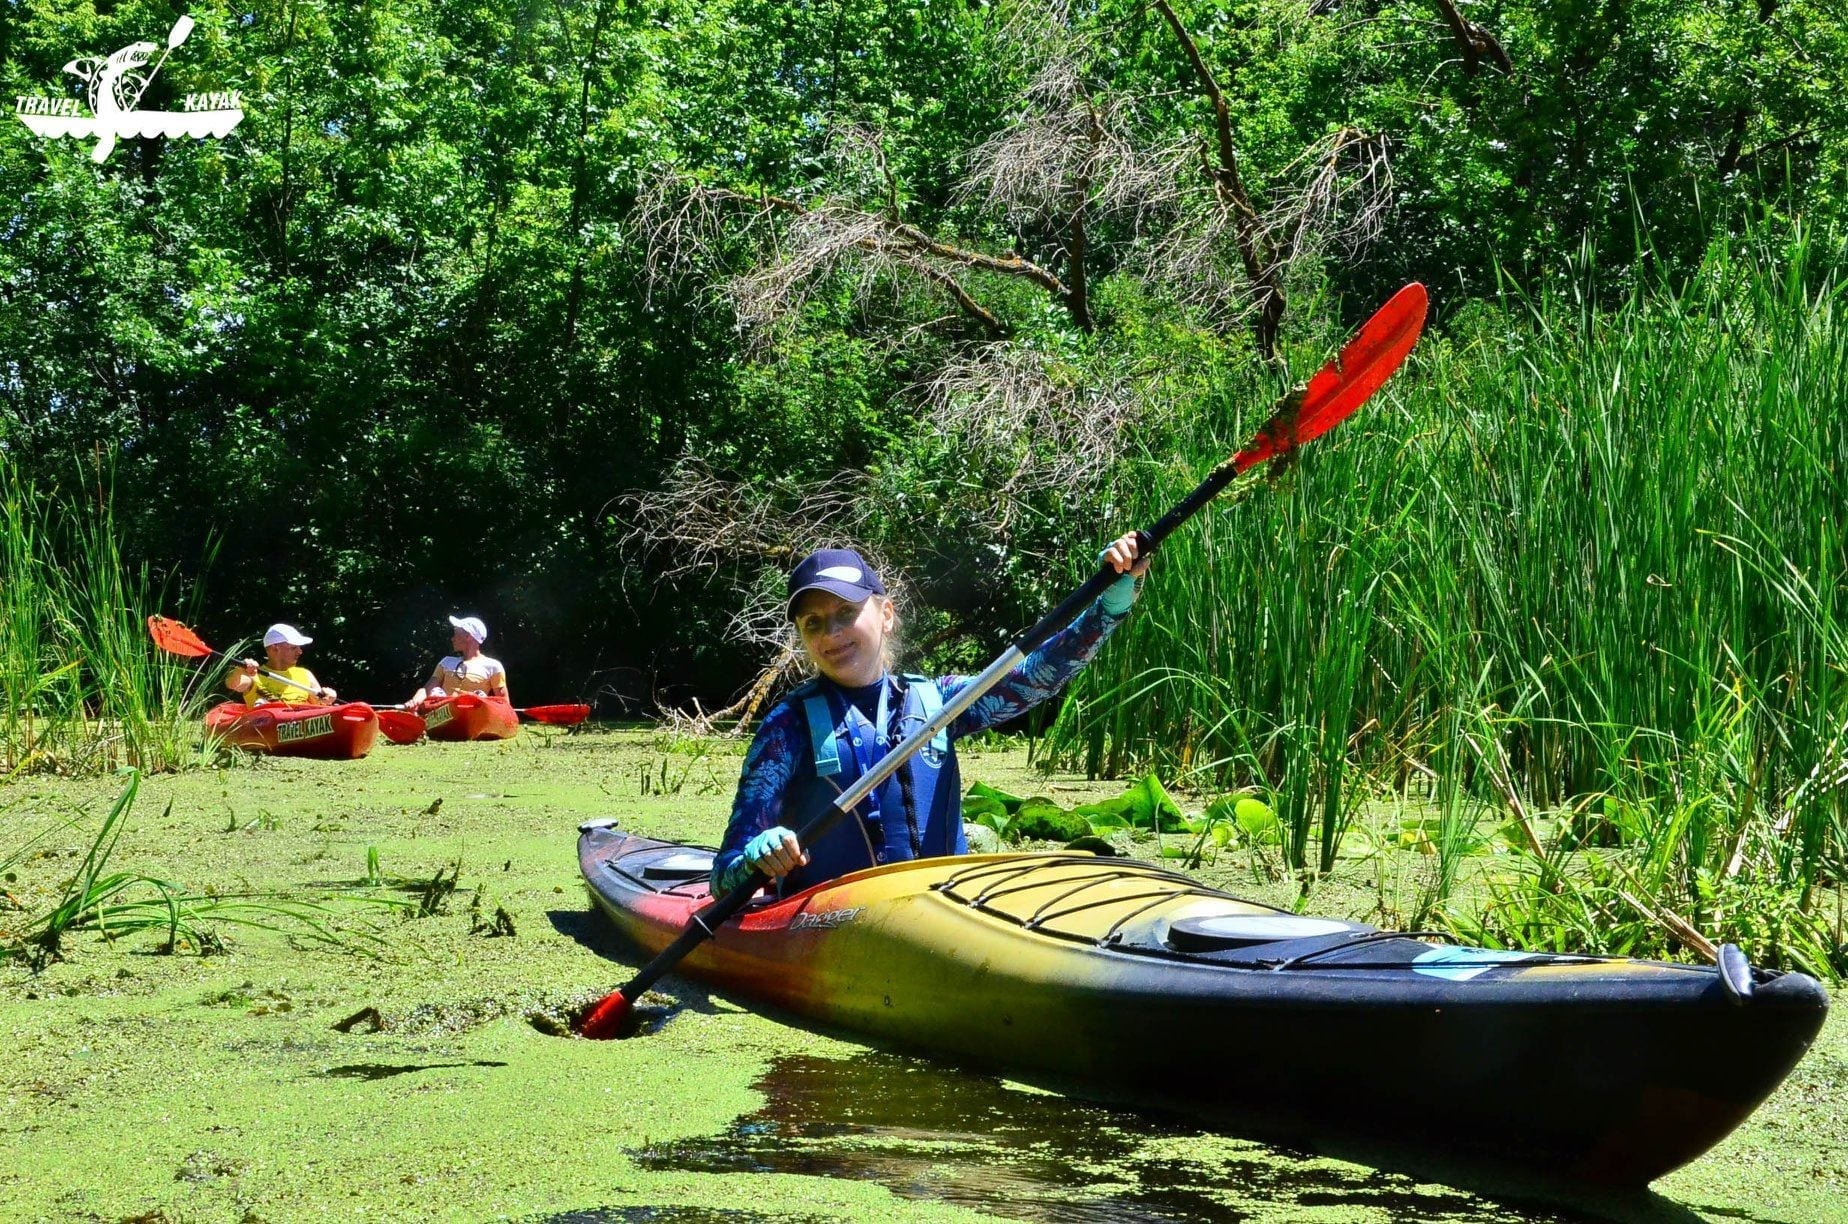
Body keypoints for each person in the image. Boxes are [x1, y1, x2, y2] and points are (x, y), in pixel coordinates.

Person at [711, 536, 1150, 897]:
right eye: (813, 623)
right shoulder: (786, 727)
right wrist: (757, 855)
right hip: (831, 925)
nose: (832, 634)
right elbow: (725, 875)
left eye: (846, 613)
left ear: (885, 615)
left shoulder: (940, 702)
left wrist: (1109, 604)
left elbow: (1038, 676)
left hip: (944, 909)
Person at [405, 615, 509, 709]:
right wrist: (415, 701)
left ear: (468, 636)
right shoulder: (446, 662)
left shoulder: (493, 666)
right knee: (435, 692)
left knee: (480, 695)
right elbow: (427, 689)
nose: (452, 639)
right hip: (444, 709)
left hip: (473, 711)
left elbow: (504, 703)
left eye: (455, 634)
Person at [225, 624, 338, 706]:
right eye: (294, 647)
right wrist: (240, 669)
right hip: (268, 728)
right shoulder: (254, 675)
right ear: (275, 648)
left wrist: (329, 697)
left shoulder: (305, 674)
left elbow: (319, 704)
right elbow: (232, 684)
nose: (300, 651)